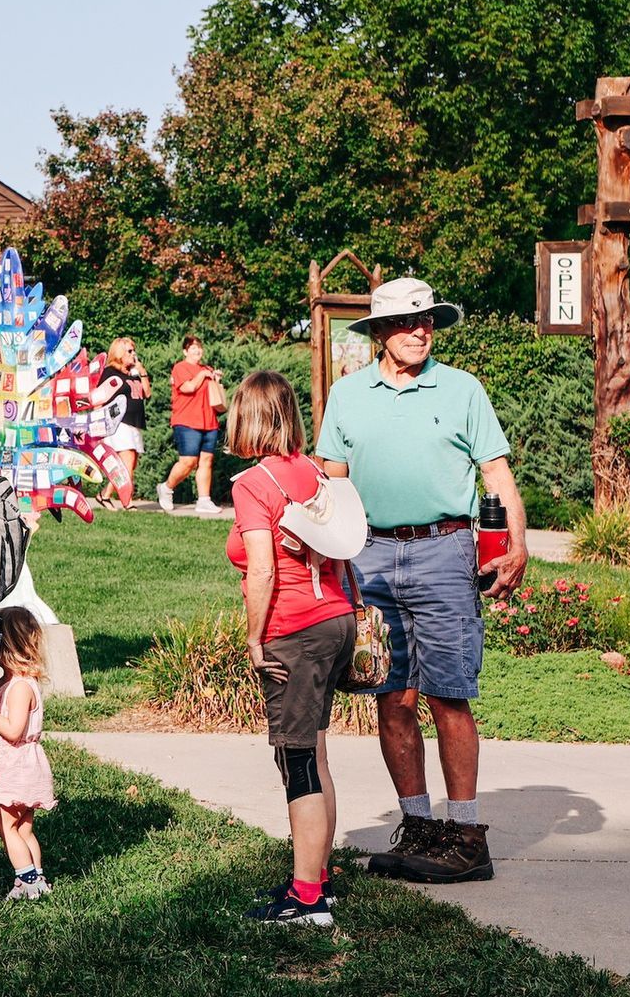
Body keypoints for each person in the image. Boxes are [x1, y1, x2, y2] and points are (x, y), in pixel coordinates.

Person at [316, 278, 526, 884]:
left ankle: (466, 835)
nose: (421, 330)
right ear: (380, 333)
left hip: (446, 551)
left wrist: (516, 542)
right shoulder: (349, 396)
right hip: (371, 555)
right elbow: (332, 483)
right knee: (392, 694)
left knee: (449, 694)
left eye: (428, 320)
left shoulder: (462, 389)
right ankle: (419, 825)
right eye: (408, 322)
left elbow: (497, 472)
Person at [225, 371, 355, 925]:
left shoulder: (252, 483)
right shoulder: (315, 475)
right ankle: (317, 875)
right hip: (336, 622)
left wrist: (255, 638)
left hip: (294, 632)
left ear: (246, 418)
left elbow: (262, 568)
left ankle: (308, 901)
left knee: (296, 758)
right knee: (316, 751)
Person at [0, 608, 56, 901]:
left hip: (17, 768)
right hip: (22, 766)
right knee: (23, 826)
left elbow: (13, 730)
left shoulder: (20, 687)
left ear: (6, 645)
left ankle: (27, 880)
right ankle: (38, 876)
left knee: (4, 824)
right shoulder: (10, 682)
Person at [158, 335, 223, 515]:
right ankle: (166, 488)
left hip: (208, 421)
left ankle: (204, 500)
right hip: (187, 421)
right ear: (185, 351)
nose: (197, 350)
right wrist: (202, 375)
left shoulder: (207, 369)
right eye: (192, 348)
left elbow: (212, 394)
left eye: (199, 347)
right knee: (188, 461)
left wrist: (215, 378)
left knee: (206, 461)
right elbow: (188, 388)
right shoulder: (181, 368)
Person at [93, 336, 150, 508]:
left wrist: (142, 371)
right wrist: (98, 424)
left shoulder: (133, 373)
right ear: (119, 353)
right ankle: (127, 501)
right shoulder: (110, 372)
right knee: (127, 461)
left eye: (134, 350)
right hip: (118, 422)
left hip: (134, 422)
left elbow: (147, 393)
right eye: (129, 351)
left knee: (130, 464)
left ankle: (105, 495)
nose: (134, 354)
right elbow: (99, 399)